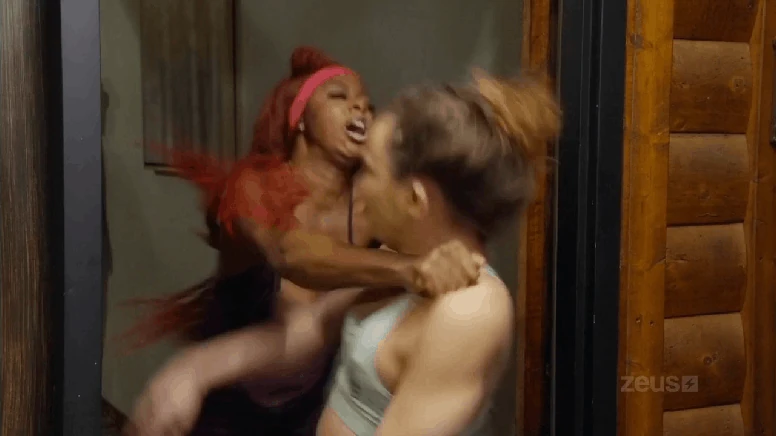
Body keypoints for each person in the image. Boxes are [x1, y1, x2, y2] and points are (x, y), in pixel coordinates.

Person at [123, 47, 482, 436]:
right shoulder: (253, 186)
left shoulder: (371, 209)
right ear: (300, 121)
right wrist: (409, 269)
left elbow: (313, 328)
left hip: (312, 403)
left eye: (367, 105)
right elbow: (290, 254)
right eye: (339, 96)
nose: (360, 109)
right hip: (225, 398)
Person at [316, 70, 561, 435]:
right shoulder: (400, 254)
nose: (357, 187)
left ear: (415, 200)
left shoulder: (470, 309)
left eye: (368, 170)